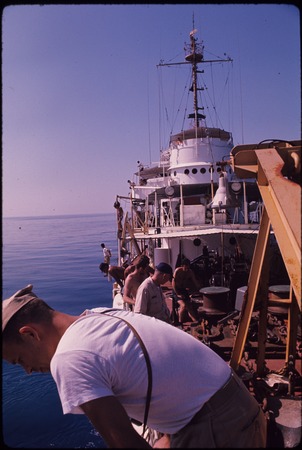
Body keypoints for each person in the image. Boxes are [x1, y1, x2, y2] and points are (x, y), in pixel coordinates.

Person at [2, 284, 267, 448]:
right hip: (235, 407)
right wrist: (169, 433)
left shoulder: (69, 358)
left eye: (20, 360)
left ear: (30, 334)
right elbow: (162, 370)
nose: (28, 370)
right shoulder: (99, 316)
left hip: (216, 427)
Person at [172, 258, 201, 324]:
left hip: (183, 290)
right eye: (186, 266)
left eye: (188, 267)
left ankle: (196, 321)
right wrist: (177, 294)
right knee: (183, 306)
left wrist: (200, 289)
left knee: (189, 307)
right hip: (176, 290)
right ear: (182, 266)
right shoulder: (177, 271)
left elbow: (195, 282)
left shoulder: (190, 272)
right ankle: (180, 322)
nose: (187, 268)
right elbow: (173, 283)